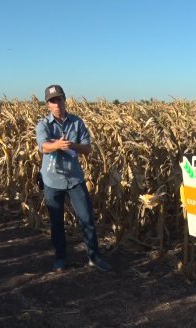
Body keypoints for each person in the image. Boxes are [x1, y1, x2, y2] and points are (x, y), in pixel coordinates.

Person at [36, 85, 112, 272]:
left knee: (86, 218)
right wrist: (57, 145)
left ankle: (94, 257)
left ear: (64, 100)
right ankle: (60, 258)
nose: (57, 104)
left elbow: (88, 149)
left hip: (75, 179)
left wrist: (72, 146)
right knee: (56, 221)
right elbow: (43, 146)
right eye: (52, 101)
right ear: (47, 104)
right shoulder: (44, 124)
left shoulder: (77, 123)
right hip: (52, 180)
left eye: (59, 99)